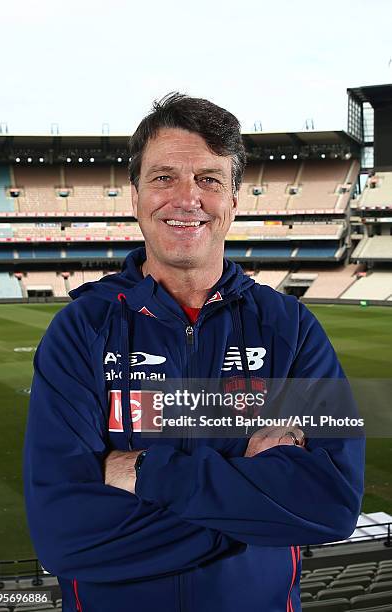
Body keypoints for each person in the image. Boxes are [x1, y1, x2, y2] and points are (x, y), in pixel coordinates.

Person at [24, 93, 365, 612]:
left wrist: (142, 473)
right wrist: (254, 514)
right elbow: (63, 536)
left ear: (234, 198)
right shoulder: (79, 332)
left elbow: (331, 505)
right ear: (134, 194)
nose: (187, 199)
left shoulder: (292, 330)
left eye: (208, 178)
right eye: (164, 178)